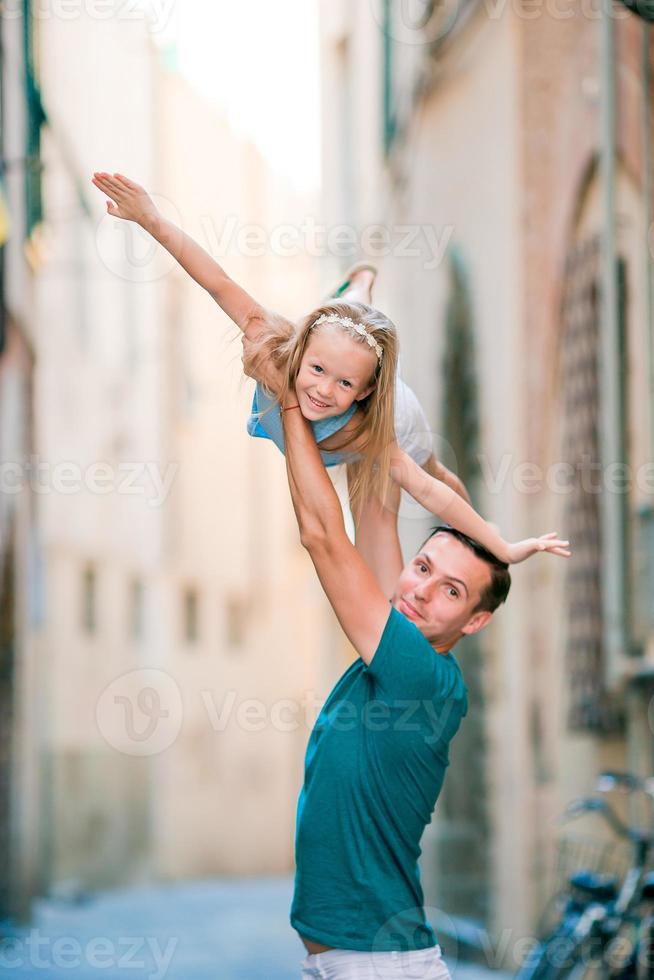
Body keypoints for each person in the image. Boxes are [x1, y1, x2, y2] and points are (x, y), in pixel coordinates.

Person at [90, 170, 571, 566]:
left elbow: (432, 493)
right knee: (342, 319)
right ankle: (358, 286)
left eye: (344, 385)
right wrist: (149, 218)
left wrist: (500, 545)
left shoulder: (372, 425)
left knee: (432, 468)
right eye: (317, 371)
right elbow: (214, 279)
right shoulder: (278, 344)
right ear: (300, 355)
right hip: (328, 336)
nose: (323, 392)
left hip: (396, 409)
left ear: (361, 392)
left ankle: (358, 293)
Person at [279, 385, 511, 978]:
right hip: (363, 961)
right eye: (424, 567)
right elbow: (373, 510)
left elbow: (322, 537)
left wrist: (289, 404)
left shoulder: (419, 676)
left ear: (475, 620)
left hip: (378, 965)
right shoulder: (402, 642)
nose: (422, 591)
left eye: (452, 592)